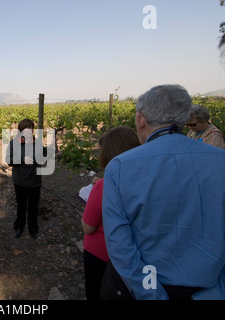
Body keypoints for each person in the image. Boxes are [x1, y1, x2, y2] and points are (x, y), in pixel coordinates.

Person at [101, 84, 225, 300]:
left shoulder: (120, 167)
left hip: (142, 289)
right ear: (184, 117)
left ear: (140, 119)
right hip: (208, 289)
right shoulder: (220, 161)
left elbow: (120, 246)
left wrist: (153, 294)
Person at [81, 126, 140, 300]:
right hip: (131, 256)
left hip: (101, 254)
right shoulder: (145, 181)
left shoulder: (103, 187)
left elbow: (88, 227)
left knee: (96, 293)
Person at [6, 119, 47, 239]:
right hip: (20, 182)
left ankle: (33, 228)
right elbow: (9, 160)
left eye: (31, 128)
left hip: (35, 182)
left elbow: (45, 156)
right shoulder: (14, 143)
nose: (30, 131)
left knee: (34, 207)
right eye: (26, 128)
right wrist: (22, 159)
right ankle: (19, 226)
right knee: (21, 205)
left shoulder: (37, 143)